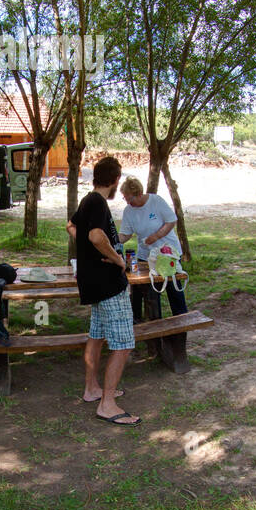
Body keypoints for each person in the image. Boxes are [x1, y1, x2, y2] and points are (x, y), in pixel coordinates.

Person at [75, 155, 137, 424]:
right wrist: (117, 259)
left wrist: (90, 253)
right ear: (115, 181)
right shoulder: (98, 202)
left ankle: (92, 389)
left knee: (96, 335)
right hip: (109, 285)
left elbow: (72, 227)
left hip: (93, 283)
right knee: (123, 344)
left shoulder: (87, 200)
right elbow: (95, 235)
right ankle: (107, 405)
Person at [119, 173, 186, 316]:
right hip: (146, 255)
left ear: (139, 194)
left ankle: (181, 321)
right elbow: (125, 234)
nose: (128, 202)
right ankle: (153, 322)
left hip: (168, 253)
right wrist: (111, 239)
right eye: (125, 199)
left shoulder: (155, 201)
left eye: (130, 199)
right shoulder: (128, 211)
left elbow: (171, 221)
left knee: (173, 289)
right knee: (149, 292)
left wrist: (156, 236)